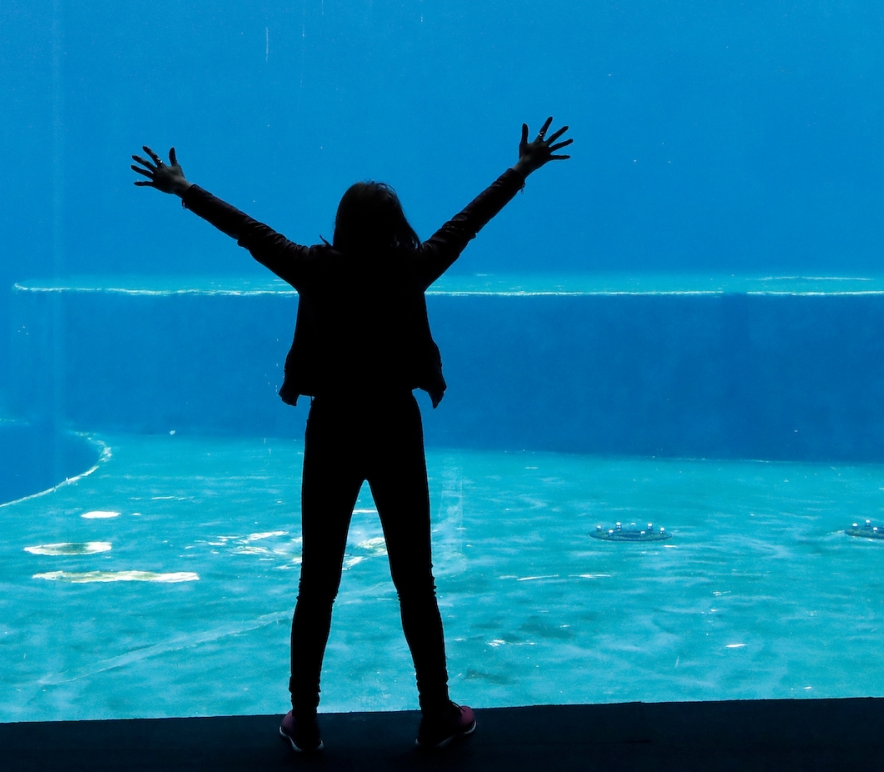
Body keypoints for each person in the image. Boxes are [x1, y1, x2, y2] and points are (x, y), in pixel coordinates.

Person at [130, 119, 572, 753]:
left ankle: (304, 718)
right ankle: (437, 711)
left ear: (340, 224)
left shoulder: (315, 269)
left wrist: (185, 188)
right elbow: (466, 223)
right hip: (393, 425)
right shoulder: (410, 269)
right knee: (415, 578)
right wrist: (521, 170)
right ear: (395, 226)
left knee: (318, 579)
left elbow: (248, 232)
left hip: (333, 426)